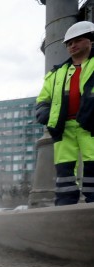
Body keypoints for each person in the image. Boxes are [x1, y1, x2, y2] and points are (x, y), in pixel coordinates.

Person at [36, 20, 94, 206]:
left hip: (90, 126)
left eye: (77, 40)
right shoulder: (56, 74)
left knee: (93, 165)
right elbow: (43, 99)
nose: (72, 45)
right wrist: (44, 114)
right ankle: (65, 207)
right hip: (63, 128)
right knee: (64, 171)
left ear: (90, 41)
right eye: (69, 43)